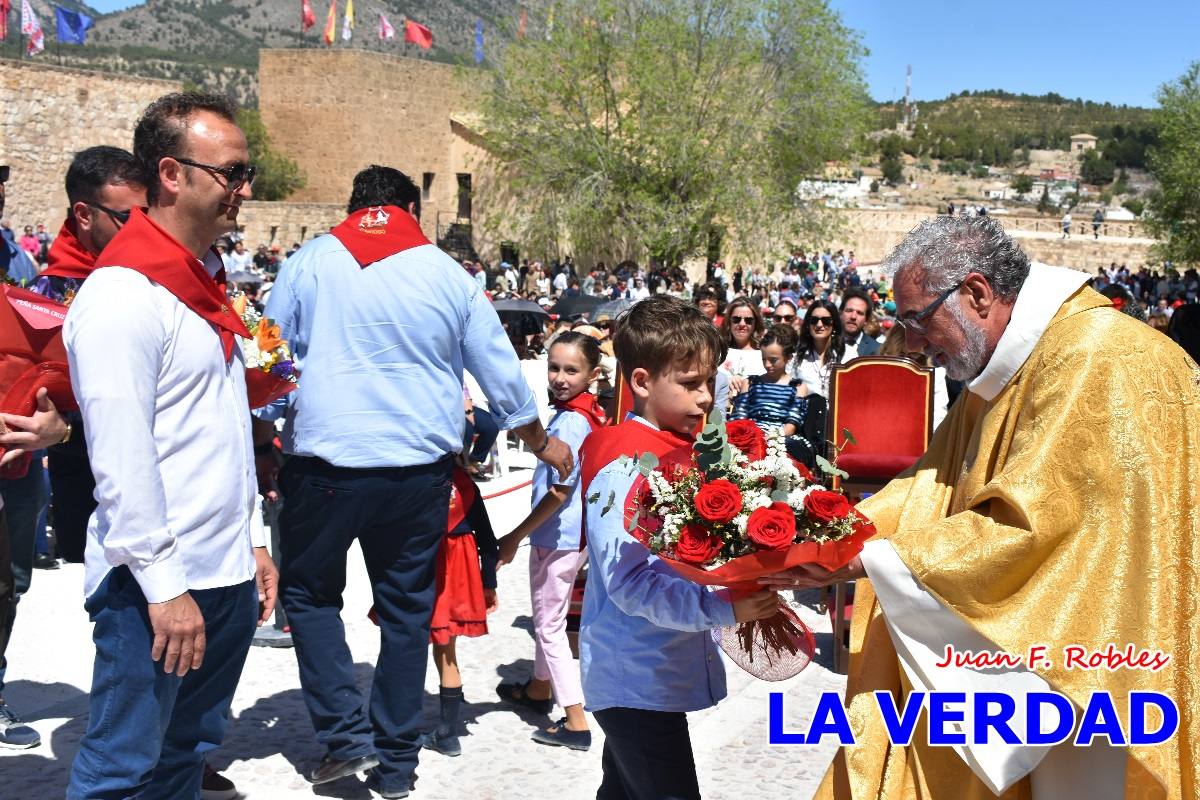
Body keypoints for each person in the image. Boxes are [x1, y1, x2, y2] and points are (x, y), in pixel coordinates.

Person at [762, 215, 1198, 798]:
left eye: (918, 319)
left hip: (1098, 660)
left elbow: (1040, 528)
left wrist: (865, 559)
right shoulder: (1005, 367)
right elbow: (932, 487)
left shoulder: (1094, 359)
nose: (912, 343)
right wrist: (825, 534)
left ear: (976, 293)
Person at [251, 165, 573, 799]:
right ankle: (397, 764)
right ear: (411, 210)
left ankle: (345, 736)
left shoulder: (306, 263)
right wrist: (541, 441)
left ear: (352, 205)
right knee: (406, 612)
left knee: (311, 598)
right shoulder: (448, 274)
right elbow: (499, 369)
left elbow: (269, 359)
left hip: (325, 467)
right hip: (416, 474)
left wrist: (262, 441)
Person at [64, 91, 278, 800]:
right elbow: (121, 459)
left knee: (184, 756)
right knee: (120, 772)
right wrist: (165, 588)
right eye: (231, 173)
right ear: (170, 174)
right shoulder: (124, 296)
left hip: (222, 574)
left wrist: (250, 541)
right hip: (152, 587)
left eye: (247, 172)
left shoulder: (201, 284)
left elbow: (220, 432)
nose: (244, 189)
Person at [578, 295, 779, 800]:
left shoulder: (675, 449)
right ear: (642, 381)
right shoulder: (626, 465)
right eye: (690, 384)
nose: (705, 397)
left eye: (709, 382)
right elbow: (630, 582)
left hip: (652, 675)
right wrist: (722, 607)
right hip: (634, 679)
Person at [495, 332, 606, 752]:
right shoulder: (584, 413)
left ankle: (575, 720)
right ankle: (540, 689)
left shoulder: (573, 421)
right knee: (550, 616)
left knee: (548, 626)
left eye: (571, 370)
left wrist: (515, 535)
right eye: (554, 368)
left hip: (557, 535)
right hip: (568, 535)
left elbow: (560, 491)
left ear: (593, 374)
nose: (560, 377)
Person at [365, 467, 499, 758]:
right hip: (459, 575)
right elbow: (488, 540)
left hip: (418, 566)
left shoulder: (413, 478)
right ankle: (448, 733)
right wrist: (489, 584)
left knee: (402, 643)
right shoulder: (465, 484)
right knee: (447, 652)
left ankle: (392, 724)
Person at [729, 325, 817, 464]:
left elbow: (791, 426)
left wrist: (769, 439)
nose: (767, 364)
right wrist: (753, 437)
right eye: (764, 359)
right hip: (751, 436)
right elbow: (739, 418)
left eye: (773, 360)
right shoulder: (750, 383)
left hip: (782, 439)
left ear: (788, 357)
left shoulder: (797, 387)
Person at [789, 298, 844, 398]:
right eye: (814, 320)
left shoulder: (847, 355)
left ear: (834, 324)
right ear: (808, 324)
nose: (819, 325)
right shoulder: (796, 357)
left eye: (826, 321)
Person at [717, 297, 766, 381]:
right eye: (736, 319)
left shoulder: (764, 353)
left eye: (749, 320)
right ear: (729, 321)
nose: (742, 324)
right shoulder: (717, 350)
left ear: (756, 323)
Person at [839, 287, 881, 358]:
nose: (853, 317)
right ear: (840, 314)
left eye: (859, 313)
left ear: (866, 320)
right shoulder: (827, 343)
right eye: (849, 310)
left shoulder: (877, 350)